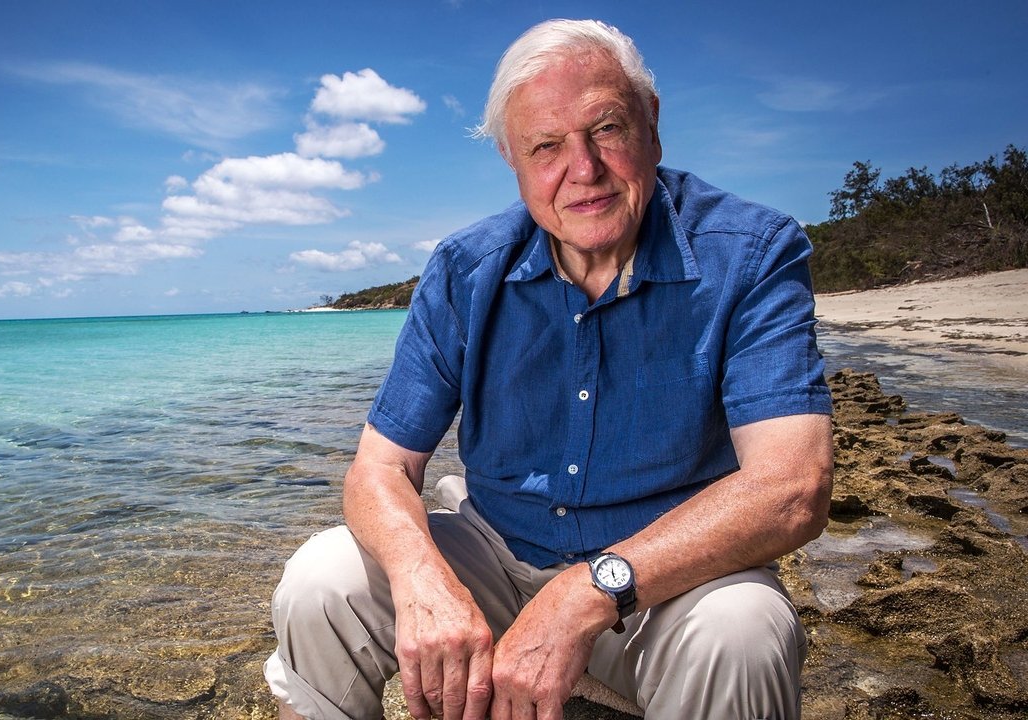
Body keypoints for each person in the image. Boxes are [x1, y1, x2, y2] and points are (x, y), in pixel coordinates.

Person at [265, 17, 833, 720]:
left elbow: (791, 488)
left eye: (606, 129)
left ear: (651, 124)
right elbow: (379, 469)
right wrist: (420, 581)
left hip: (661, 587)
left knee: (744, 630)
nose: (584, 170)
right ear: (513, 158)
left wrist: (585, 592)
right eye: (547, 147)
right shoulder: (465, 269)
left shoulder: (750, 253)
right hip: (497, 554)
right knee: (321, 581)